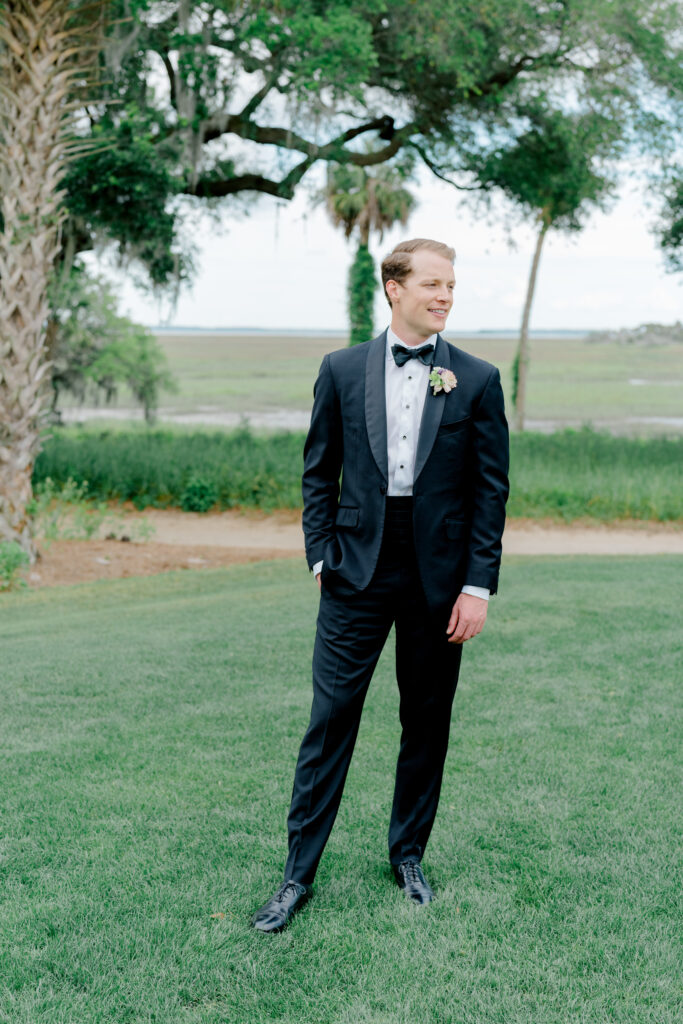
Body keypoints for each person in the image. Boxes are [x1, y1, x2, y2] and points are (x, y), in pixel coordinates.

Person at [251, 238, 509, 933]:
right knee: (330, 719)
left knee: (425, 722)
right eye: (431, 284)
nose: (445, 297)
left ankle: (407, 855)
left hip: (440, 577)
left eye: (451, 286)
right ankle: (296, 875)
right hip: (353, 568)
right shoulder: (340, 370)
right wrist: (319, 556)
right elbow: (317, 471)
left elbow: (489, 492)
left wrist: (476, 587)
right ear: (393, 288)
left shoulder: (477, 379)